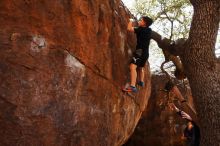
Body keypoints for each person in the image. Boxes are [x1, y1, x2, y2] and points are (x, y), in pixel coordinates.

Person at [122, 16, 153, 92]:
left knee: (132, 67)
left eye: (141, 20)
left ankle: (133, 87)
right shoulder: (149, 30)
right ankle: (141, 81)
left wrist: (130, 21)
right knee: (141, 67)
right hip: (146, 53)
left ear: (144, 23)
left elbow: (129, 28)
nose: (139, 21)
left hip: (140, 52)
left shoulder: (140, 29)